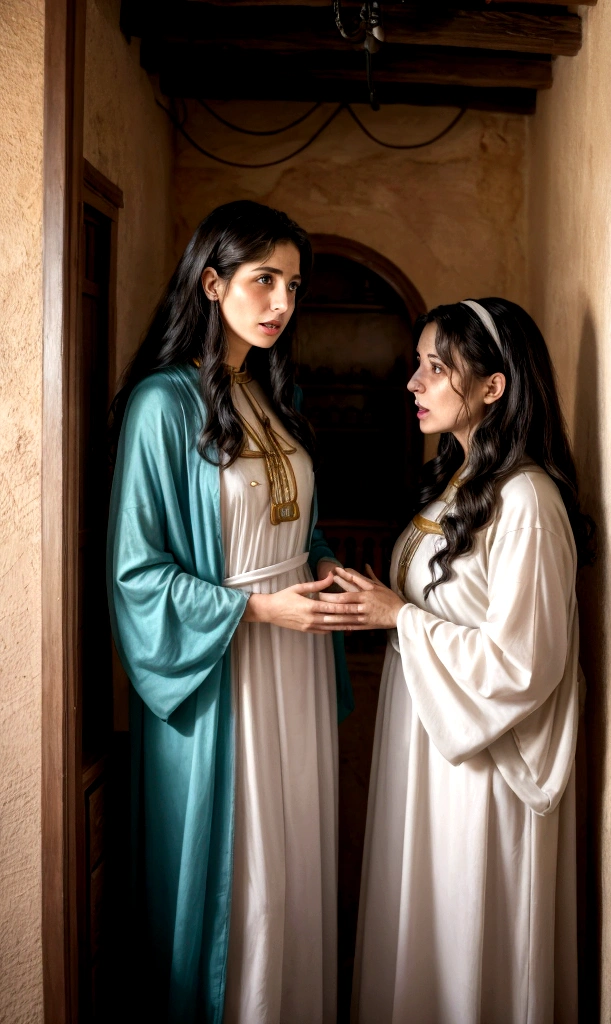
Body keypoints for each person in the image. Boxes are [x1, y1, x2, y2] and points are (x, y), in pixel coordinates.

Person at [106, 200, 353, 1024]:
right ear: (211, 284)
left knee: (292, 864)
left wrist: (318, 563)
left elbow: (294, 522)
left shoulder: (266, 395)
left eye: (292, 284)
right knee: (243, 880)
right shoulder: (162, 408)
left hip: (296, 665)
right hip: (227, 671)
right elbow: (137, 574)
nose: (282, 301)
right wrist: (256, 610)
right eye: (262, 280)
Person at [320, 298, 592, 1024]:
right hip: (428, 751)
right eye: (418, 365)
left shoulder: (526, 500)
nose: (413, 382)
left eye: (435, 368)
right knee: (422, 933)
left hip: (482, 771)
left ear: (493, 387)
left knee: (466, 944)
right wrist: (380, 603)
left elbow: (527, 663)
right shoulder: (455, 485)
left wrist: (398, 615)